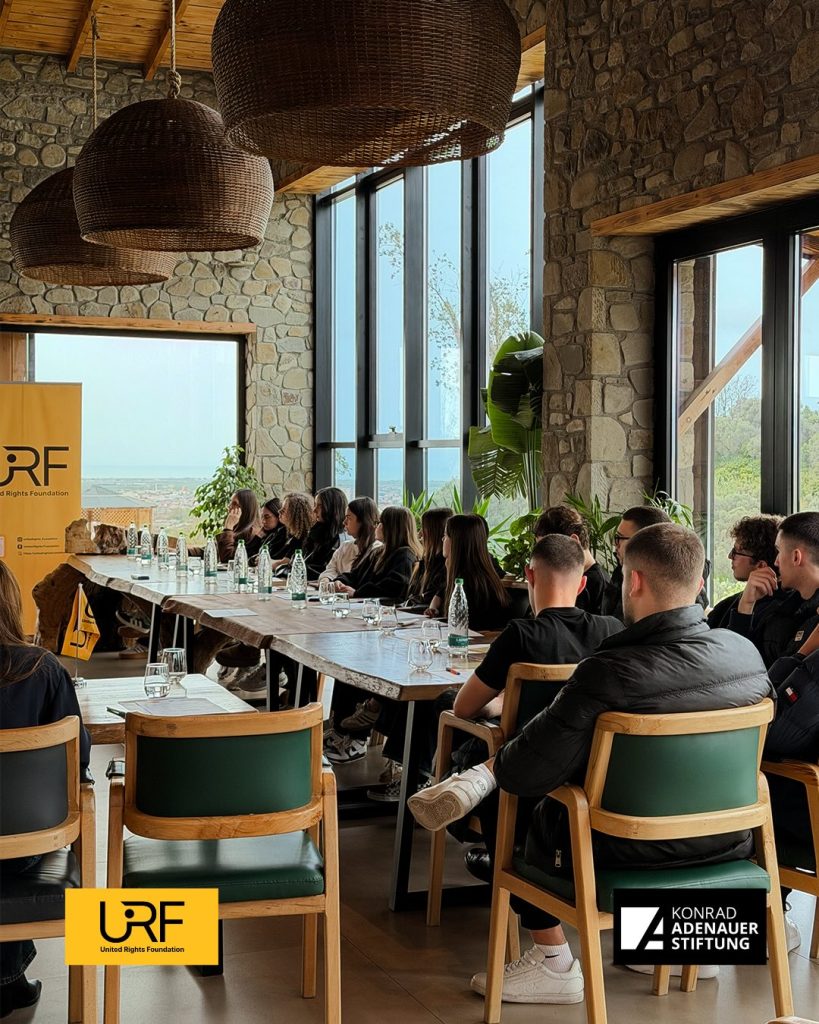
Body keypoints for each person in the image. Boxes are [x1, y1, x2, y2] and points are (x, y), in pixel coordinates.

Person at [409, 523, 773, 1004]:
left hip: (624, 849)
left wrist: (494, 768)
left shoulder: (609, 670)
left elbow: (527, 770)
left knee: (523, 797)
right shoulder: (745, 654)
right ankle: (684, 948)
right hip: (729, 842)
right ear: (700, 583)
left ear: (634, 581)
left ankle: (555, 962)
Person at [0, 561, 92, 1019]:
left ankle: (8, 981)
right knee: (19, 837)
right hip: (24, 846)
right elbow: (79, 760)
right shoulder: (43, 669)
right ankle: (7, 980)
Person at [726, 511, 819, 668]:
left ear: (796, 557)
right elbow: (737, 660)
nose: (775, 562)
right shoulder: (784, 607)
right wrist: (746, 606)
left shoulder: (812, 620)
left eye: (779, 551)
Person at [431, 514, 513, 631]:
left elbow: (463, 627)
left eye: (445, 535)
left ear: (457, 541)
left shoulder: (468, 584)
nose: (442, 539)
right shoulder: (473, 575)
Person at [707, 514, 782, 628]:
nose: (729, 556)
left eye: (736, 552)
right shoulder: (724, 607)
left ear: (761, 565)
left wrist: (744, 609)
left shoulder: (779, 616)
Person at [333, 506, 421, 602]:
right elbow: (355, 575)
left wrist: (357, 593)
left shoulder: (405, 555)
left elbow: (393, 586)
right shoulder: (378, 552)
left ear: (391, 528)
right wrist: (340, 581)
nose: (376, 526)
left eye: (379, 523)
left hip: (380, 607)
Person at [533, 506, 610, 615]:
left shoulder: (598, 584)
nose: (543, 557)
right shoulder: (565, 577)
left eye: (547, 549)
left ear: (574, 541)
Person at [599, 505, 671, 620]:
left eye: (620, 538)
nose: (615, 544)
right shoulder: (620, 572)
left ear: (643, 543)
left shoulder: (670, 587)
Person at [319, 497, 380, 582]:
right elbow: (330, 570)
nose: (344, 522)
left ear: (363, 521)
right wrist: (326, 579)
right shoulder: (345, 546)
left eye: (349, 518)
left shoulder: (377, 551)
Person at [404, 507, 452, 613]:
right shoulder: (426, 562)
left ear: (434, 532)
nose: (420, 533)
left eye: (424, 528)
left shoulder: (445, 566)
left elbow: (429, 602)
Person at [301, 486, 346, 580]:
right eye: (315, 505)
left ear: (331, 508)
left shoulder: (340, 538)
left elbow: (327, 570)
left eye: (319, 505)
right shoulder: (317, 531)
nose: (314, 510)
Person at [270, 491, 314, 575]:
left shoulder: (303, 538)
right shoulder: (291, 534)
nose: (279, 511)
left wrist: (268, 562)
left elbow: (286, 562)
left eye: (283, 510)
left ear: (294, 514)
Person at [215, 488, 262, 563]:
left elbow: (227, 558)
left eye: (234, 504)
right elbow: (214, 550)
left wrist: (228, 528)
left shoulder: (251, 532)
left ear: (246, 508)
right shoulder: (240, 528)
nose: (229, 507)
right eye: (230, 503)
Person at [255, 496, 289, 561]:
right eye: (262, 517)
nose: (263, 521)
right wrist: (258, 537)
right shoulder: (269, 534)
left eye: (267, 517)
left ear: (278, 516)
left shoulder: (282, 534)